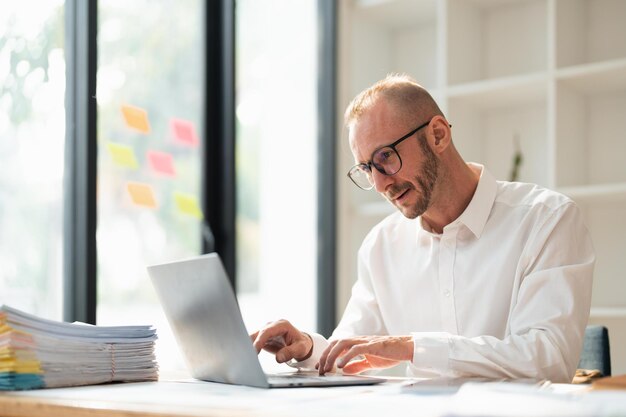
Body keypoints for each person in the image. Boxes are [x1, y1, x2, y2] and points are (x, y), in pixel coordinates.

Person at [250, 74, 594, 383]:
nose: (382, 183)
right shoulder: (381, 246)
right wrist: (307, 348)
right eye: (367, 169)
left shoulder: (547, 220)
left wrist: (415, 347)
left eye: (386, 156)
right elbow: (348, 355)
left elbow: (549, 359)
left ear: (438, 135)